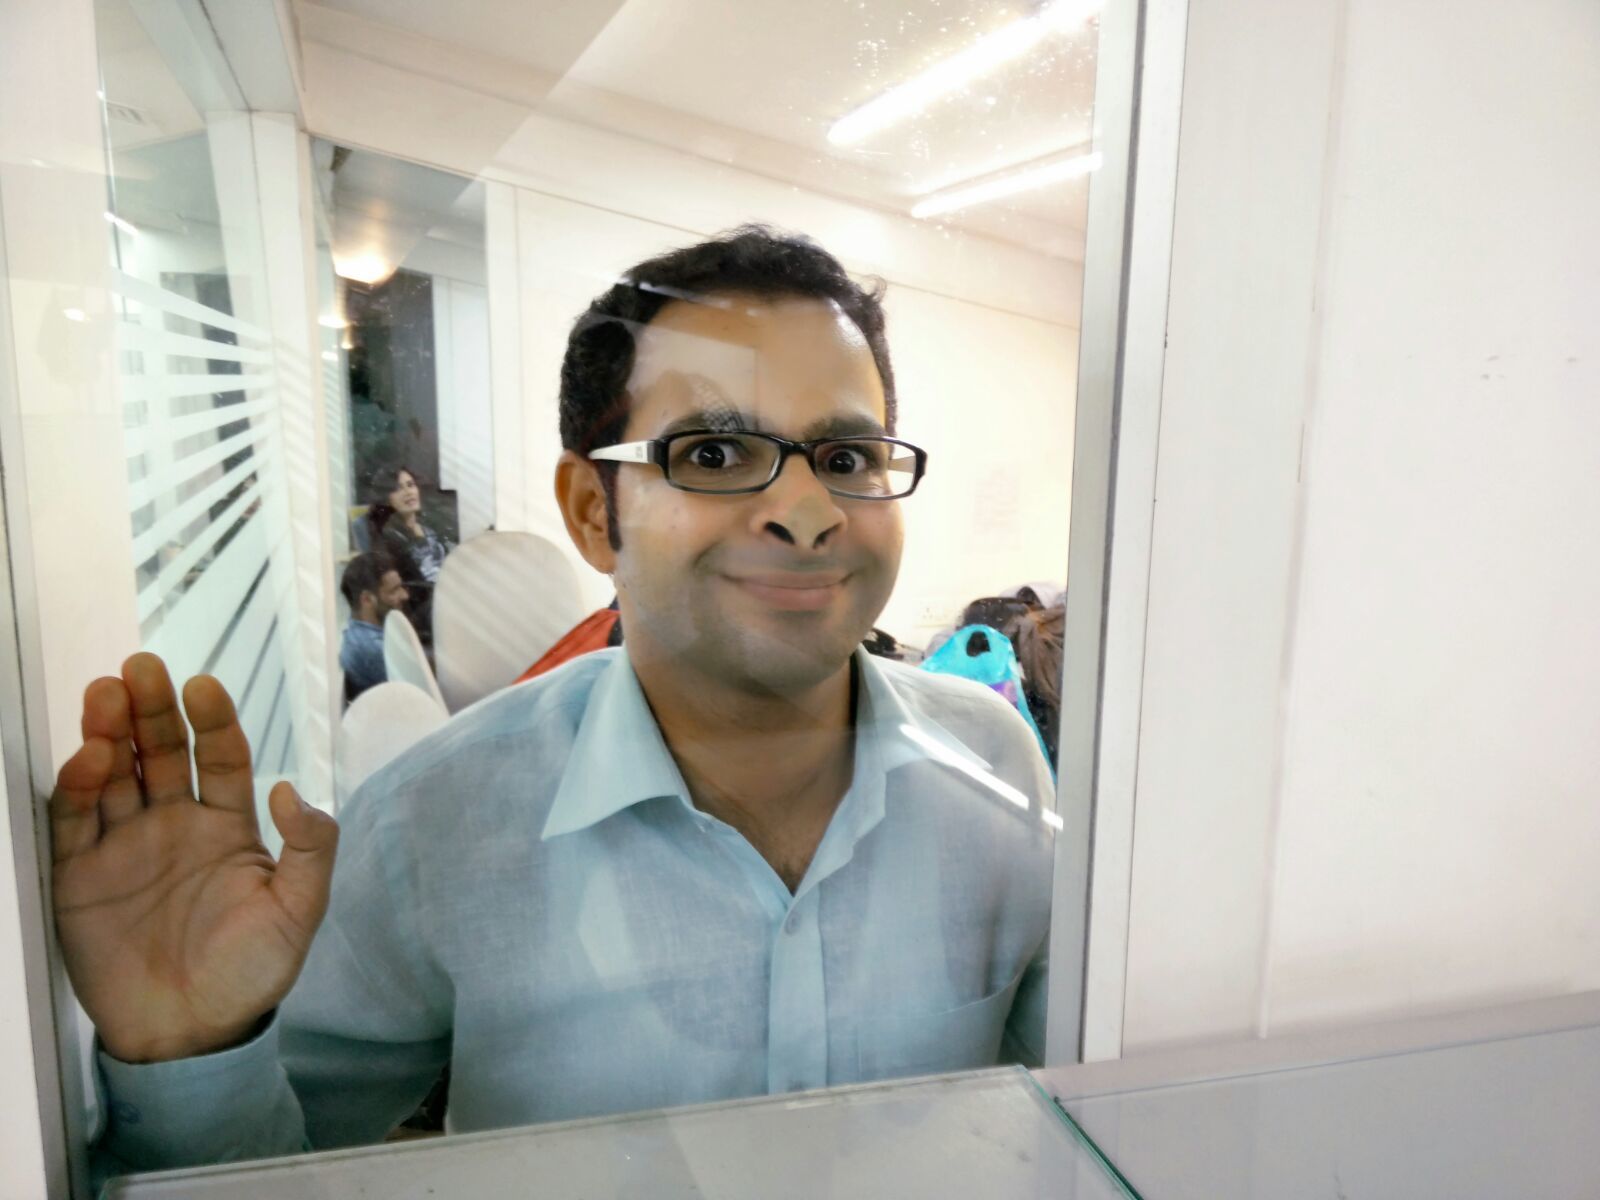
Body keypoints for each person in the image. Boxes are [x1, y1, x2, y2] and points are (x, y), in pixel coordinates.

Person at [50, 226, 1056, 1174]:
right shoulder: (439, 820)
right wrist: (195, 1054)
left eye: (845, 460)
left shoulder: (993, 768)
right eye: (712, 455)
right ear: (590, 510)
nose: (805, 512)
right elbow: (284, 1169)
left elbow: (1070, 1103)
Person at [363, 465, 451, 642]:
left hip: (447, 599)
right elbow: (414, 589)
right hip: (426, 609)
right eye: (398, 488)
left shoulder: (430, 528)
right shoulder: (389, 537)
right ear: (386, 498)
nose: (408, 492)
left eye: (410, 485)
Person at [338, 552, 408, 703]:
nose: (404, 595)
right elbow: (415, 695)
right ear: (367, 599)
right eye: (394, 590)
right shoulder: (372, 648)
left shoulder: (358, 632)